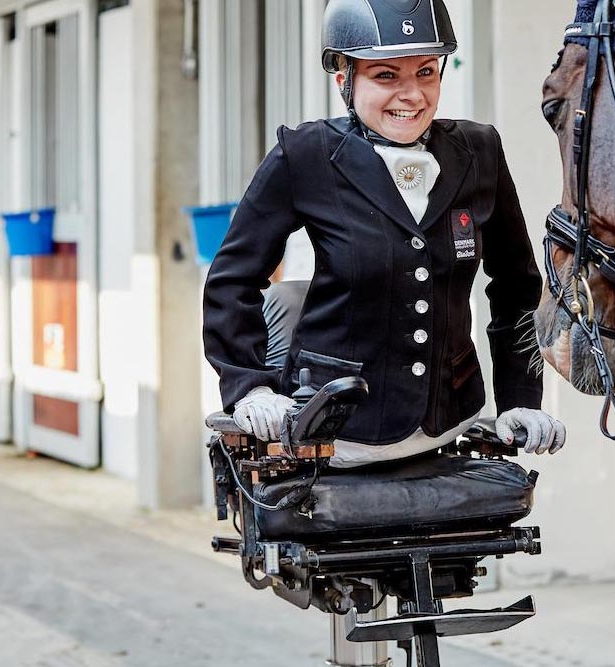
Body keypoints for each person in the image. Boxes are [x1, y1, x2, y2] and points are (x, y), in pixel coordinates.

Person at [203, 0, 566, 468]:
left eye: (427, 72)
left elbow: (517, 286)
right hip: (335, 435)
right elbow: (232, 279)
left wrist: (519, 397)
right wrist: (250, 386)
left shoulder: (480, 152)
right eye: (386, 75)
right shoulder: (305, 155)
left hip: (450, 423)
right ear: (344, 80)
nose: (412, 94)